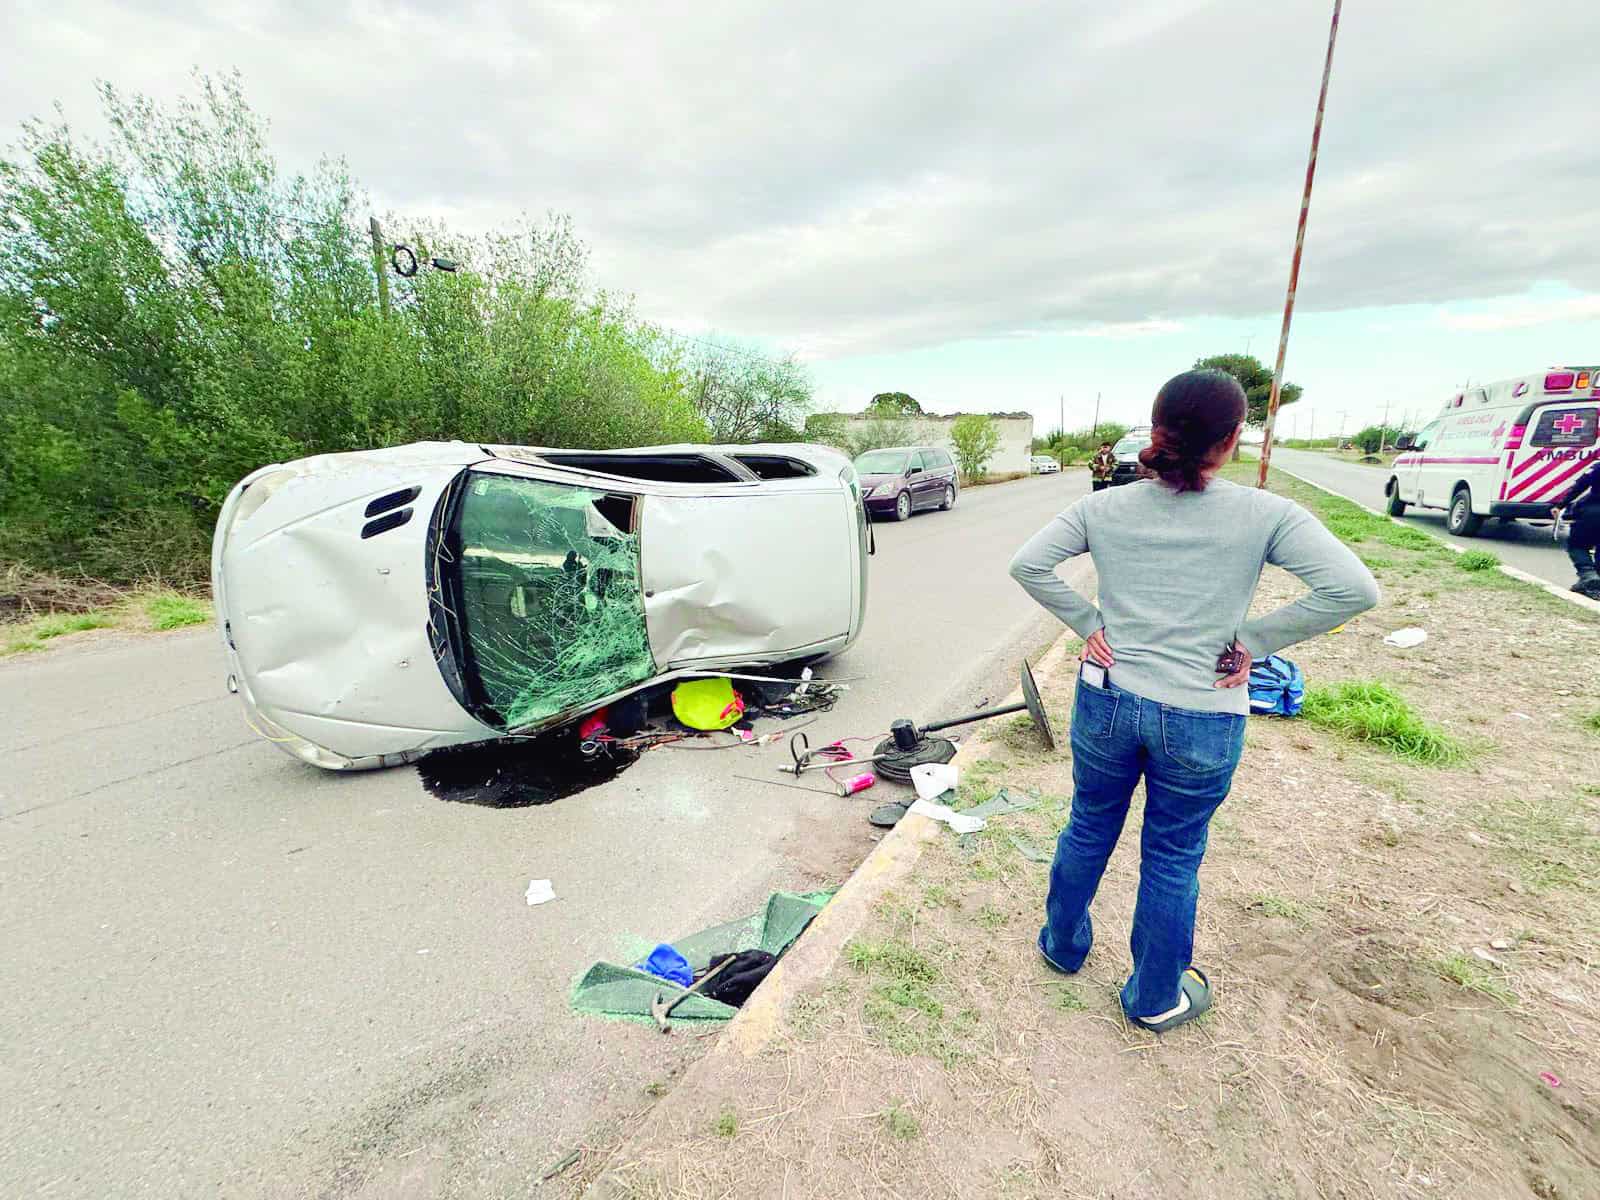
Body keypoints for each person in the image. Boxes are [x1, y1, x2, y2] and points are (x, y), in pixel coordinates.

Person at [1007, 370, 1378, 1033]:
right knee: (1173, 855)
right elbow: (1353, 589)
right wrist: (1254, 641)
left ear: (1156, 432)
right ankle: (1153, 999)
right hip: (1205, 713)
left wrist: (1092, 626)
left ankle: (1062, 948)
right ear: (1233, 438)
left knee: (1089, 824)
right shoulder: (1267, 514)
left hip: (1110, 700)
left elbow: (1028, 564)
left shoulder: (1103, 507)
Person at [1553, 455, 1600, 598]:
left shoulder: (1597, 467)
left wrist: (1560, 505)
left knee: (1577, 545)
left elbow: (1580, 486)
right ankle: (1592, 583)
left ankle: (1589, 576)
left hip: (1593, 513)